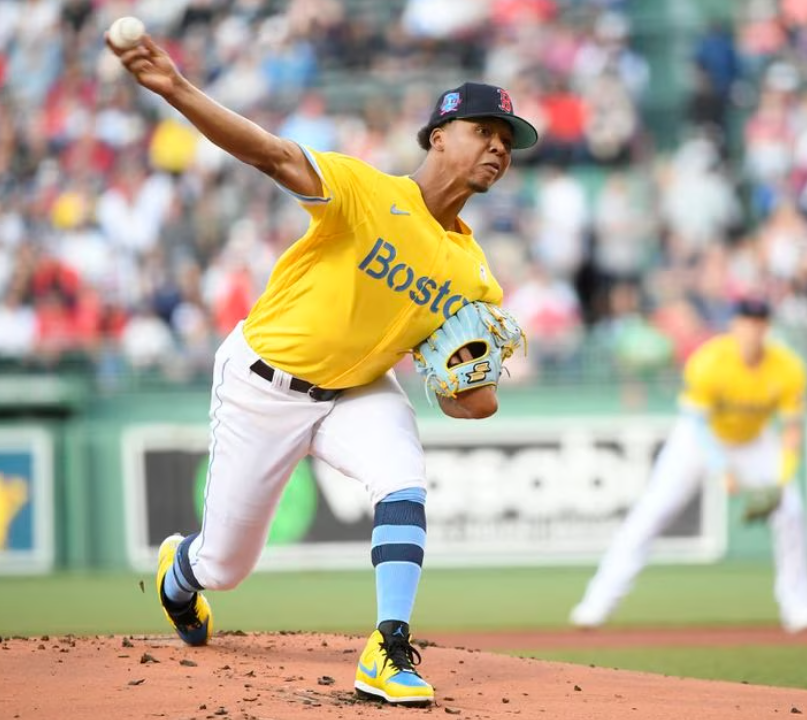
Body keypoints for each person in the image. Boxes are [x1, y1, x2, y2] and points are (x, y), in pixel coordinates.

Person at [106, 31, 538, 707]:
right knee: (226, 565)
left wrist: (469, 385)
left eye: (508, 142)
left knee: (404, 479)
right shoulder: (367, 193)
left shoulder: (475, 273)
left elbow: (470, 405)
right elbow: (274, 154)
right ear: (437, 137)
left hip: (357, 389)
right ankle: (179, 571)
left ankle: (388, 649)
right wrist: (176, 89)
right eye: (484, 130)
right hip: (262, 382)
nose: (499, 148)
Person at [570, 298, 807, 634]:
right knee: (652, 513)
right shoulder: (710, 360)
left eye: (759, 322)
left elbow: (792, 430)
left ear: (767, 328)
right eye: (746, 321)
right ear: (735, 326)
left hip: (754, 441)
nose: (752, 329)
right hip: (697, 440)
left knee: (790, 510)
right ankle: (596, 605)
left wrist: (781, 480)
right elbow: (698, 424)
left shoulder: (788, 367)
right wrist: (722, 469)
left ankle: (800, 608)